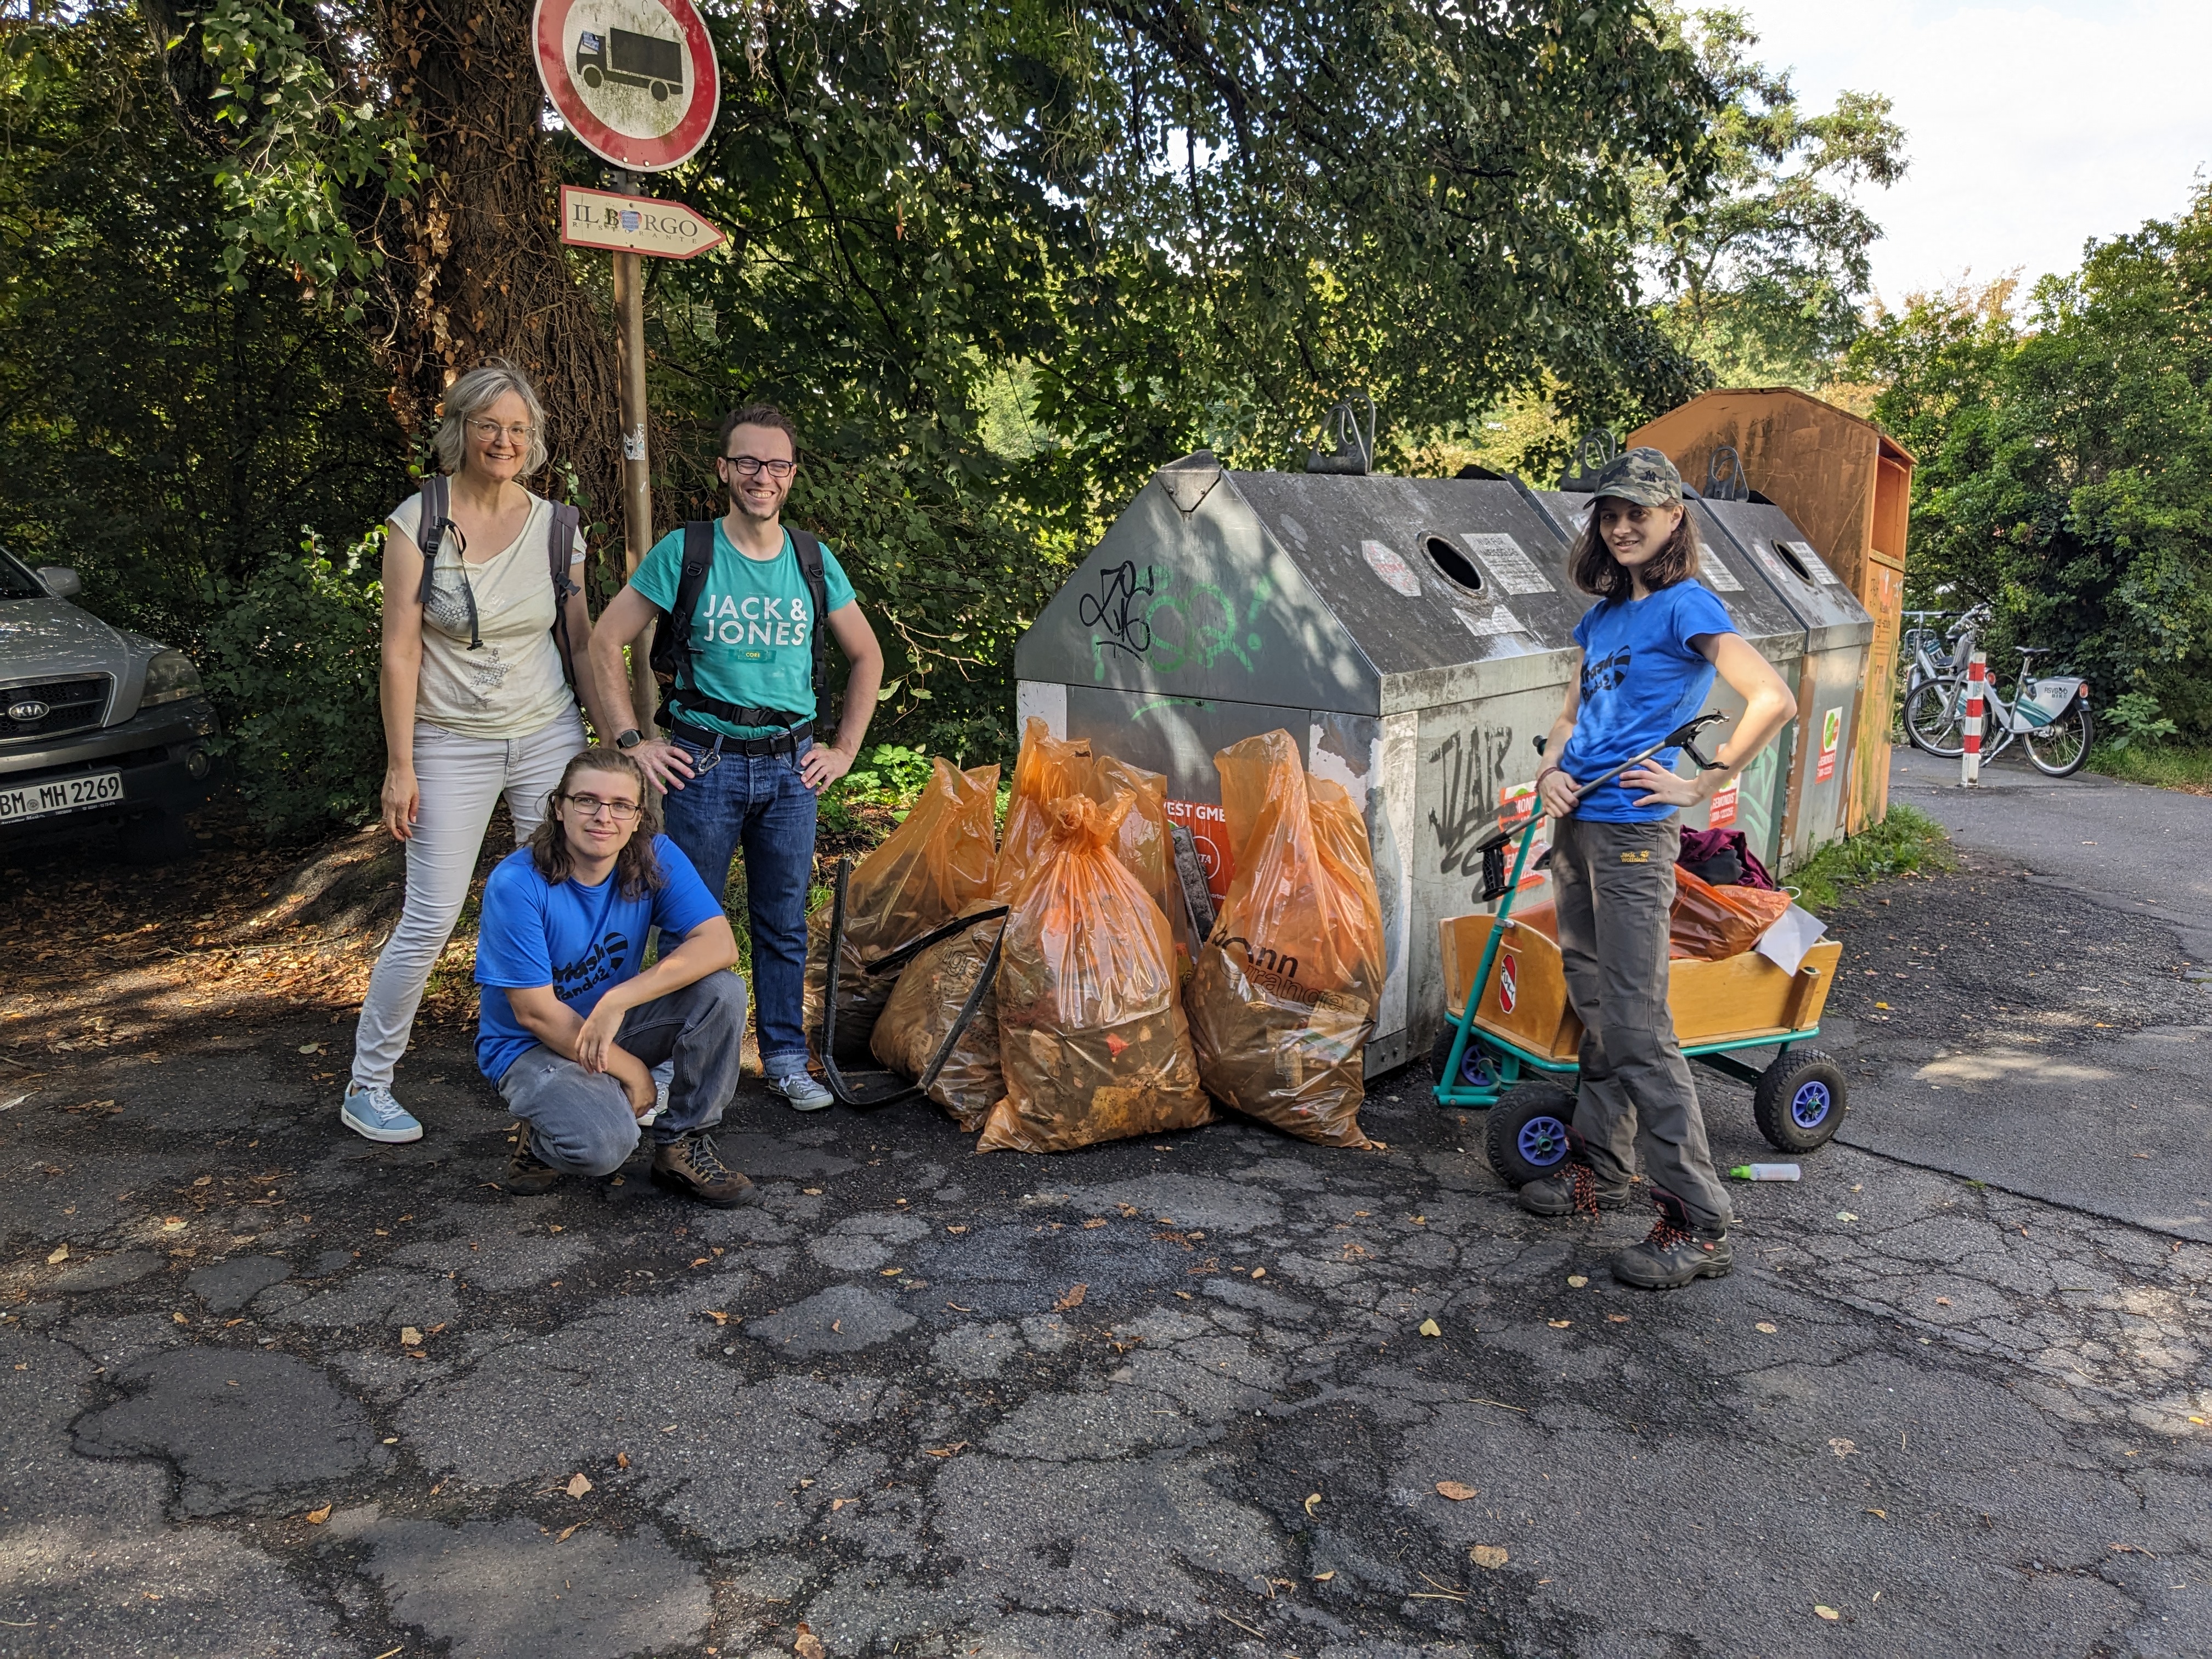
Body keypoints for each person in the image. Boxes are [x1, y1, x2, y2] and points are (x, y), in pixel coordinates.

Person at [1525, 448, 1797, 1289]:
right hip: (1577, 824)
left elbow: (1772, 698)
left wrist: (1703, 779)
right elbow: (1572, 712)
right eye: (1611, 514)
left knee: (1640, 1026)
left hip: (1638, 837)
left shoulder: (1687, 607)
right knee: (1597, 1003)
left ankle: (1699, 1221)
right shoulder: (1602, 619)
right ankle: (1599, 1169)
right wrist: (1550, 770)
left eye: (1640, 512)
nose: (1623, 526)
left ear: (1676, 518)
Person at [342, 360, 616, 1146]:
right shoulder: (416, 521)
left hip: (546, 733)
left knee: (569, 904)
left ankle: (564, 1060)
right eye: (489, 425)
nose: (504, 440)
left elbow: (580, 641)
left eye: (518, 429)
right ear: (460, 430)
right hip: (448, 741)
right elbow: (399, 653)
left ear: (533, 443)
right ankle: (369, 1084)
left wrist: (611, 744)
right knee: (430, 918)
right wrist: (402, 765)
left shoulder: (559, 527)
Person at [588, 403, 884, 1112]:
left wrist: (843, 750)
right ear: (724, 470)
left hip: (791, 769)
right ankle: (669, 1063)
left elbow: (868, 654)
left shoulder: (812, 559)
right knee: (690, 920)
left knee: (783, 921)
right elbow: (604, 641)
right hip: (702, 764)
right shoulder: (686, 552)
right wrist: (633, 745)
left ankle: (784, 1058)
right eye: (748, 462)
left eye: (776, 465)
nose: (762, 476)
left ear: (791, 476)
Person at [475, 747, 759, 1205]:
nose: (603, 817)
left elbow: (719, 946)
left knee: (722, 991)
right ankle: (544, 1139)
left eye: (621, 806)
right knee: (606, 1147)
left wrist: (617, 1000)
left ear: (637, 815)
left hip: (611, 1024)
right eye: (587, 800)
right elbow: (534, 1014)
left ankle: (682, 1146)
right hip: (530, 1048)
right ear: (560, 807)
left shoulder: (653, 855)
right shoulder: (517, 884)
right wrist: (634, 1073)